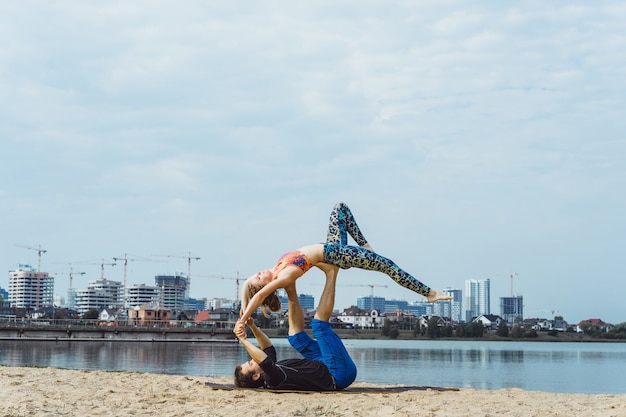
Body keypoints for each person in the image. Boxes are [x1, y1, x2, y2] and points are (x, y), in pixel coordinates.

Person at [239, 202, 452, 323]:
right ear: (266, 287)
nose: (258, 272)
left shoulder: (276, 268)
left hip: (334, 247)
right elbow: (257, 296)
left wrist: (242, 307)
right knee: (389, 265)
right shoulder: (285, 277)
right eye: (259, 278)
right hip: (339, 255)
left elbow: (250, 286)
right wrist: (243, 319)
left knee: (340, 208)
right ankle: (429, 293)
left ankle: (366, 246)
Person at [233, 269, 357, 391]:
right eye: (251, 363)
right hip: (337, 374)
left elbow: (268, 348)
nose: (253, 359)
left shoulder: (272, 370)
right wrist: (243, 340)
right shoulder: (272, 379)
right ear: (256, 376)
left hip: (321, 361)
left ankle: (290, 286)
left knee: (296, 338)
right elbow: (264, 361)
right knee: (319, 326)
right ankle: (331, 273)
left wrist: (252, 326)